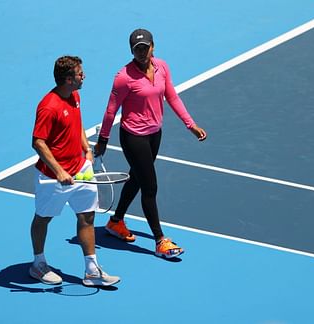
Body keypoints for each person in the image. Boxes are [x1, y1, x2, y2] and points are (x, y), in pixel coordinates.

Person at [94, 29, 207, 259]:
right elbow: (110, 111)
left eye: (145, 48)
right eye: (137, 49)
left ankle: (115, 222)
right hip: (133, 137)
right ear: (131, 51)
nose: (142, 52)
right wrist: (103, 139)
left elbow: (172, 96)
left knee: (136, 178)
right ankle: (160, 241)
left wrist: (190, 125)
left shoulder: (162, 67)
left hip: (155, 134)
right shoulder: (123, 77)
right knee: (150, 186)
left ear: (153, 46)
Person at [30, 55, 120, 287]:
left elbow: (77, 123)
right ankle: (38, 264)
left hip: (81, 169)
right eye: (80, 73)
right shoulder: (48, 107)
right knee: (43, 218)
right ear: (68, 79)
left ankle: (91, 271)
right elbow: (38, 142)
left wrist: (86, 148)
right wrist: (59, 171)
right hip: (54, 177)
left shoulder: (74, 96)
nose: (84, 76)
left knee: (87, 216)